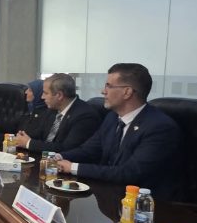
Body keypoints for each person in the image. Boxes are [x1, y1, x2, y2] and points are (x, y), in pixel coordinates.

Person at [56, 63, 182, 200]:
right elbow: (88, 150)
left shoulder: (160, 127)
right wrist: (57, 157)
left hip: (145, 204)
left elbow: (129, 173)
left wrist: (73, 167)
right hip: (109, 195)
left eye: (109, 86)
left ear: (127, 92)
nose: (103, 91)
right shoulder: (112, 117)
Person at [13, 74, 99, 154]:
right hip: (45, 159)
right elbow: (40, 135)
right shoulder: (53, 109)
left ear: (59, 95)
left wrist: (28, 143)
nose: (42, 97)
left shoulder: (84, 116)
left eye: (46, 93)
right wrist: (23, 137)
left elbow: (67, 149)